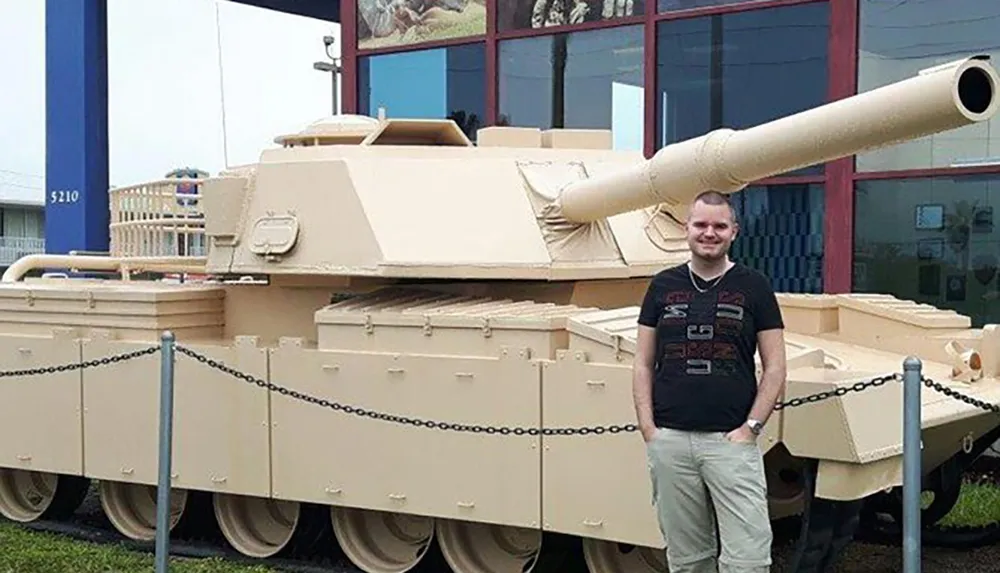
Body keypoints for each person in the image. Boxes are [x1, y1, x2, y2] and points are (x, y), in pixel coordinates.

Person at [632, 190, 787, 573]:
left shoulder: (754, 286)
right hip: (670, 441)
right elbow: (642, 362)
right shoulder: (662, 286)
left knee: (748, 561)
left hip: (731, 443)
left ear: (734, 231)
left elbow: (776, 366)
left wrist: (751, 428)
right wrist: (650, 429)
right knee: (687, 561)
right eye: (701, 224)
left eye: (719, 226)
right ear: (686, 229)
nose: (709, 233)